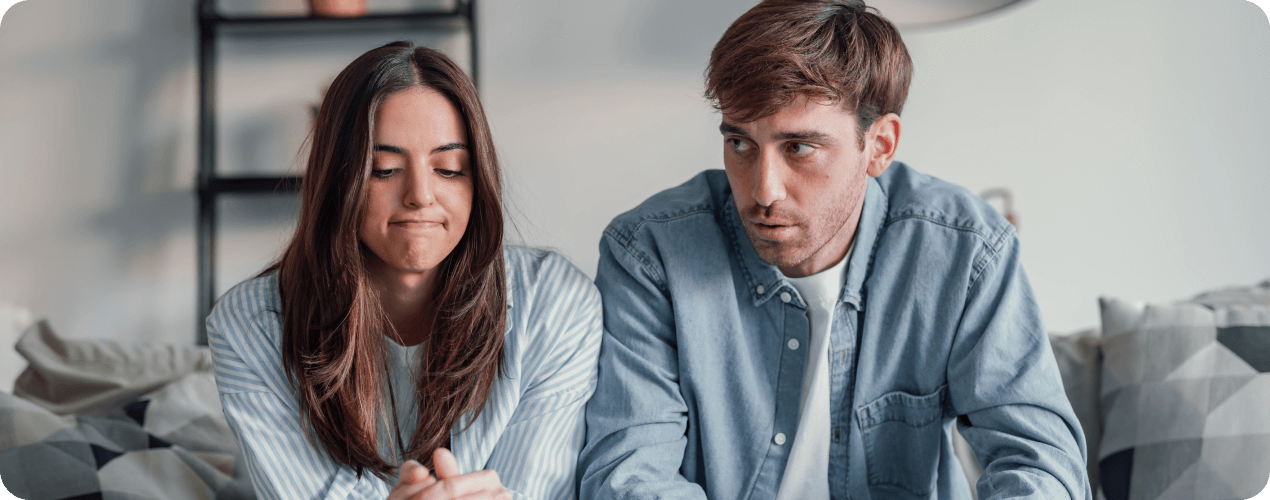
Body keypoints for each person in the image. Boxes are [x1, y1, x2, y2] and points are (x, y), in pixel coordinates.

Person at [576, 1, 1090, 498]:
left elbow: (1040, 459)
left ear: (880, 145)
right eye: (740, 144)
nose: (763, 190)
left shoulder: (963, 250)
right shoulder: (650, 254)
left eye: (798, 147)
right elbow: (629, 475)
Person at [207, 42, 601, 500]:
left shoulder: (554, 302)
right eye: (384, 169)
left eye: (450, 169)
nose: (420, 195)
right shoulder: (250, 325)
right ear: (339, 179)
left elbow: (530, 488)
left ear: (481, 179)